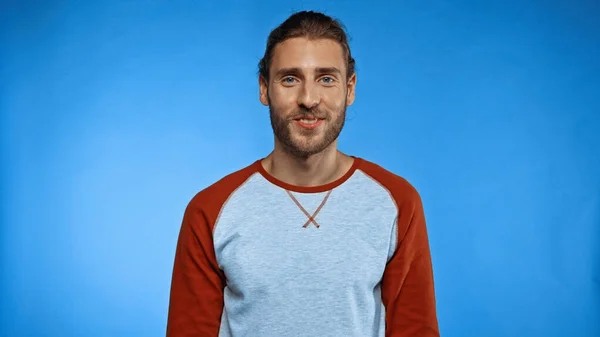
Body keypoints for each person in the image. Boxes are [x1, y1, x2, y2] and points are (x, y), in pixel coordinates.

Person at [166, 10, 439, 337]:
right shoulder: (210, 209)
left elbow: (415, 330)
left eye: (326, 78)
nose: (309, 99)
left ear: (349, 89)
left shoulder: (396, 202)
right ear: (264, 89)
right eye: (290, 78)